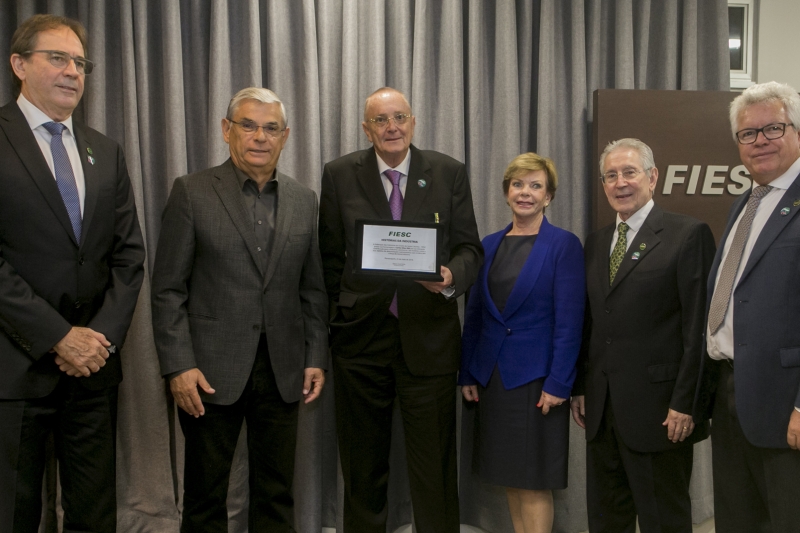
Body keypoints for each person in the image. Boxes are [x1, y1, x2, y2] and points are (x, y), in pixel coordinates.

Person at [151, 87, 328, 532]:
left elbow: (313, 290)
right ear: (226, 130)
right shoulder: (191, 192)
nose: (259, 137)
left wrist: (314, 357)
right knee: (207, 493)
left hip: (283, 368)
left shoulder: (304, 200)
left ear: (285, 137)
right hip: (209, 370)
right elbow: (168, 289)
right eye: (248, 125)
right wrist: (178, 366)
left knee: (276, 491)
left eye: (271, 128)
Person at [0, 14, 145, 533]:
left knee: (94, 514)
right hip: (15, 368)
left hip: (92, 372)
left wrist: (97, 340)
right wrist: (58, 337)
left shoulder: (105, 151)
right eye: (57, 58)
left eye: (80, 62)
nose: (73, 72)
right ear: (19, 64)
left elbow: (129, 257)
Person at [318, 87, 483, 533]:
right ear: (366, 128)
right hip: (359, 342)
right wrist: (339, 320)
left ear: (413, 122)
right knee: (362, 467)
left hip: (428, 342)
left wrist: (450, 277)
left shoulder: (448, 172)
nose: (391, 127)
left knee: (434, 468)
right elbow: (330, 259)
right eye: (381, 120)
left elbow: (470, 248)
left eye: (399, 117)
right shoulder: (338, 175)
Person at [571, 138, 715, 533]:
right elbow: (592, 322)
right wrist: (582, 386)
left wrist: (685, 402)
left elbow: (698, 329)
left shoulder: (687, 234)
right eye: (611, 175)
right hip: (602, 411)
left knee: (663, 520)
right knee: (605, 519)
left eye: (629, 172)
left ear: (653, 177)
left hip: (661, 412)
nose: (620, 183)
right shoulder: (597, 242)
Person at [459, 153, 585, 533]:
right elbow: (476, 317)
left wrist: (559, 383)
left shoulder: (564, 245)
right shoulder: (490, 244)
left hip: (537, 382)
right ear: (506, 191)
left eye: (535, 186)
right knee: (511, 478)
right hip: (492, 380)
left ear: (548, 196)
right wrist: (467, 371)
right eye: (518, 184)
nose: (525, 193)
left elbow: (570, 322)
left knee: (533, 481)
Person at [698, 81, 800, 533]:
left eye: (772, 128)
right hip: (731, 394)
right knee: (738, 520)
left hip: (785, 406)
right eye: (748, 134)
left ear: (796, 131)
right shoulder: (747, 201)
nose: (759, 141)